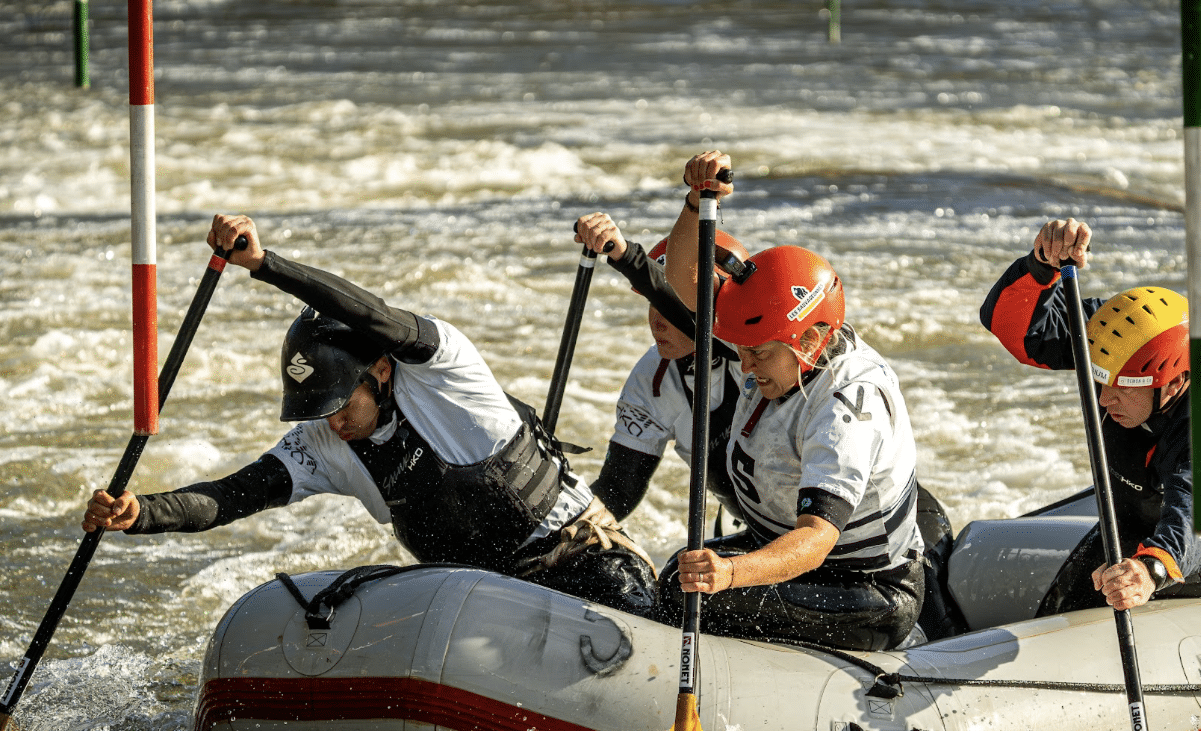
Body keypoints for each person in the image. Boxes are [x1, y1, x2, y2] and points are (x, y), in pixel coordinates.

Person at [81, 214, 657, 614]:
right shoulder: (323, 445)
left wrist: (263, 264)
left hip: (581, 562)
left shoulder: (445, 369)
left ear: (380, 372)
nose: (332, 422)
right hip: (483, 601)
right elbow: (234, 495)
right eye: (319, 409)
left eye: (341, 403)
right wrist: (142, 513)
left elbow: (370, 312)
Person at [650, 152, 929, 651]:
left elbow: (816, 539)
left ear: (809, 342)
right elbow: (683, 280)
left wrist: (730, 574)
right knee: (678, 573)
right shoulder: (776, 344)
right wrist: (697, 202)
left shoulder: (847, 406)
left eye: (755, 355)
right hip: (777, 548)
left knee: (689, 593)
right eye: (741, 353)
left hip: (865, 589)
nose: (746, 368)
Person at [979, 218, 1201, 614]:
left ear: (1171, 383)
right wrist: (1040, 267)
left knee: (1107, 608)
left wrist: (1153, 567)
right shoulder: (1120, 334)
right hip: (1138, 519)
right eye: (1102, 383)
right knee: (1064, 608)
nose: (1104, 400)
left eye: (1121, 388)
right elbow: (1020, 332)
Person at [571, 211, 750, 525]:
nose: (657, 320)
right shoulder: (650, 379)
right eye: (652, 303)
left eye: (671, 304)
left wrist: (625, 255)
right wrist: (562, 522)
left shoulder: (755, 345)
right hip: (755, 526)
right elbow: (616, 493)